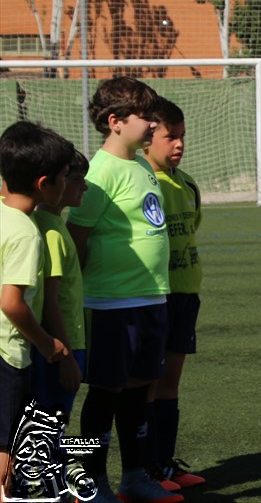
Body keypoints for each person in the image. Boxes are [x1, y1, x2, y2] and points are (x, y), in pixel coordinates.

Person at [67, 77, 183, 503]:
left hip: (151, 297)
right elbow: (76, 236)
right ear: (115, 122)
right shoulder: (99, 174)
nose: (153, 124)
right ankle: (90, 482)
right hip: (110, 303)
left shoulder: (140, 166)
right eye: (145, 117)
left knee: (138, 393)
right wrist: (75, 296)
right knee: (103, 396)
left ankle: (134, 476)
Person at [1, 122, 72, 496]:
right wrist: (46, 343)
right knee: (8, 448)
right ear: (45, 184)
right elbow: (12, 303)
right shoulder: (27, 233)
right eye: (64, 176)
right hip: (9, 355)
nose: (68, 182)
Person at [142, 98, 206, 489]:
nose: (179, 144)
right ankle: (145, 467)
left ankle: (165, 465)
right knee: (146, 383)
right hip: (153, 296)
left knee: (170, 383)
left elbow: (192, 226)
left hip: (184, 294)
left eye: (182, 137)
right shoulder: (144, 182)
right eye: (171, 137)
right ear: (148, 139)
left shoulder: (186, 183)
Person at [31, 149, 89, 417]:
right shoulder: (50, 232)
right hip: (62, 347)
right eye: (74, 178)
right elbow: (50, 301)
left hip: (66, 343)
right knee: (51, 423)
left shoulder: (53, 224)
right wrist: (65, 356)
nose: (84, 186)